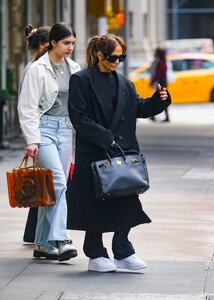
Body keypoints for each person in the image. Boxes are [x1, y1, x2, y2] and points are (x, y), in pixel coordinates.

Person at [67, 33, 171, 272]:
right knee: (95, 206)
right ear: (99, 55)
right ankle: (95, 254)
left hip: (123, 154)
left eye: (121, 57)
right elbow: (79, 118)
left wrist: (159, 101)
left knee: (127, 203)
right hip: (94, 152)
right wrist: (106, 137)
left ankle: (123, 251)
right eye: (114, 57)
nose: (118, 61)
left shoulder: (125, 82)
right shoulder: (81, 80)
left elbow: (138, 108)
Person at [18, 22, 81, 261]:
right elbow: (26, 108)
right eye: (66, 43)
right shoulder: (37, 69)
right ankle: (61, 238)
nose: (70, 47)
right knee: (58, 183)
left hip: (65, 130)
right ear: (53, 42)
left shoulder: (74, 68)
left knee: (52, 188)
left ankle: (43, 243)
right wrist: (32, 139)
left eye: (73, 43)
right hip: (43, 130)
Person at [19, 24, 51, 244]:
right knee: (47, 182)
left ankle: (33, 233)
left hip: (40, 132)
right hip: (40, 131)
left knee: (44, 182)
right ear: (42, 45)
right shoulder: (35, 69)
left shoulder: (36, 66)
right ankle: (39, 235)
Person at [150, 47, 170, 122]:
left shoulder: (160, 63)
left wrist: (152, 81)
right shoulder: (163, 61)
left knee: (160, 99)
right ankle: (155, 116)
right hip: (163, 82)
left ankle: (154, 115)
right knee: (161, 99)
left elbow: (158, 74)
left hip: (161, 82)